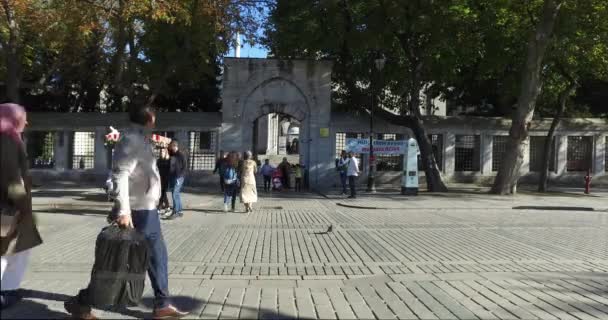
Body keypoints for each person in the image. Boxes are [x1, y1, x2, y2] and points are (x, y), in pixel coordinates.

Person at [65, 106, 187, 319]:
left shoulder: (141, 139)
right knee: (120, 263)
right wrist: (123, 210)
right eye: (154, 118)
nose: (155, 122)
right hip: (137, 211)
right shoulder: (131, 140)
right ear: (150, 118)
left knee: (157, 257)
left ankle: (162, 303)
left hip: (148, 210)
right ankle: (82, 302)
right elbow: (121, 175)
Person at [1, 103, 43, 310]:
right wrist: (24, 206)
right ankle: (6, 291)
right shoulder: (7, 139)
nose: (26, 122)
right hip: (8, 207)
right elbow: (11, 176)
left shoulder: (10, 137)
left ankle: (9, 290)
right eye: (23, 117)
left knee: (18, 249)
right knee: (7, 251)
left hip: (8, 205)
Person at [164, 140, 187, 220]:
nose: (170, 148)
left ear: (174, 146)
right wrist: (166, 146)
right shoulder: (173, 153)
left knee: (174, 193)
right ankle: (179, 211)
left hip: (178, 177)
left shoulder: (181, 155)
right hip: (173, 176)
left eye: (171, 146)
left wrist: (179, 177)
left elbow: (184, 167)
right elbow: (168, 151)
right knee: (176, 194)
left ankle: (175, 212)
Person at [157, 148, 171, 215]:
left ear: (165, 152)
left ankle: (159, 208)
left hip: (166, 179)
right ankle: (167, 207)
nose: (161, 152)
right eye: (160, 151)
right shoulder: (159, 160)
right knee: (163, 193)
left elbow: (170, 170)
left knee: (162, 193)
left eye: (162, 151)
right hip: (159, 178)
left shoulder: (168, 160)